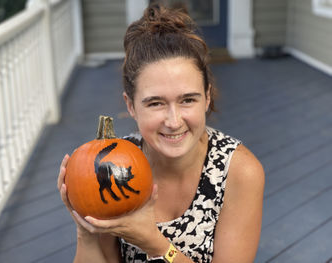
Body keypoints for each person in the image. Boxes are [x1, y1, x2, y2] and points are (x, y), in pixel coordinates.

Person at [57, 4, 265, 263]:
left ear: (207, 96)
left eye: (188, 100)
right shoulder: (112, 166)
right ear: (131, 105)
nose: (174, 121)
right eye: (155, 103)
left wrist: (154, 243)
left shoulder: (238, 172)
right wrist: (86, 228)